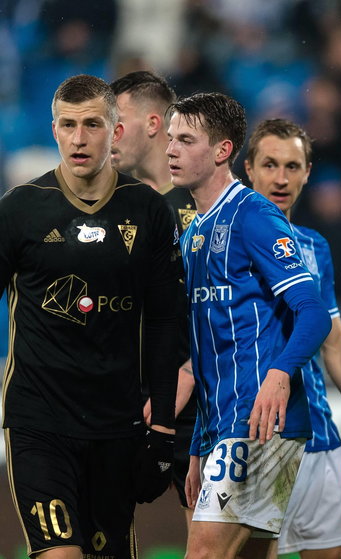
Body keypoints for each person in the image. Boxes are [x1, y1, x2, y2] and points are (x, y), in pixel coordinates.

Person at [0, 74, 182, 558]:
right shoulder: (21, 210)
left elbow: (165, 322)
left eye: (93, 125)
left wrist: (162, 428)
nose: (79, 138)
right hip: (39, 421)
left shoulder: (146, 210)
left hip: (116, 425)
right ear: (54, 129)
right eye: (68, 125)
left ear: (116, 130)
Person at [168, 92, 332, 559]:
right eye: (171, 139)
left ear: (222, 151)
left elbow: (313, 311)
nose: (170, 150)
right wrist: (202, 441)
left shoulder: (254, 215)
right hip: (224, 426)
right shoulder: (195, 233)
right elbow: (207, 349)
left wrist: (280, 374)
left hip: (260, 421)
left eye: (185, 140)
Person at [243, 117, 341, 558]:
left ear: (307, 172)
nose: (281, 178)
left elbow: (335, 344)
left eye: (292, 166)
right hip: (254, 435)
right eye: (270, 165)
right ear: (248, 169)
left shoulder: (313, 247)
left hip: (317, 435)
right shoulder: (224, 241)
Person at [109, 70, 198, 526]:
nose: (109, 132)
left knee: (219, 546)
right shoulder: (115, 204)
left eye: (116, 119)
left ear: (153, 123)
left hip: (198, 403)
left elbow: (228, 303)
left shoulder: (201, 205)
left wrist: (189, 371)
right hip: (125, 402)